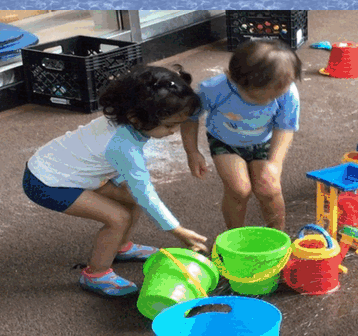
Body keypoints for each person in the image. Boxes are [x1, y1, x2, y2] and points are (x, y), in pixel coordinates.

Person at [23, 65, 209, 297]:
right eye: (170, 125)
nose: (174, 131)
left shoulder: (128, 120)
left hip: (70, 170)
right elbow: (145, 193)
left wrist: (121, 181)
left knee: (132, 199)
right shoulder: (124, 146)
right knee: (118, 217)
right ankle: (96, 274)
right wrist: (177, 230)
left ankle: (120, 246)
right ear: (136, 118)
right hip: (47, 183)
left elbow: (110, 163)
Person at [182, 40, 301, 231]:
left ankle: (278, 237)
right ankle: (234, 238)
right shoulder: (213, 89)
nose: (268, 101)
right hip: (225, 142)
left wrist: (275, 164)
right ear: (233, 79)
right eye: (259, 97)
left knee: (269, 189)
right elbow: (190, 117)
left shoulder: (286, 93)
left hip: (263, 142)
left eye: (273, 96)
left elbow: (284, 128)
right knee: (239, 189)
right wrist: (192, 152)